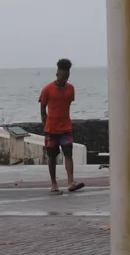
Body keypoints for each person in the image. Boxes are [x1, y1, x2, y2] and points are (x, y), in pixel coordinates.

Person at [39, 58, 84, 193]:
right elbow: (43, 109)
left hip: (66, 128)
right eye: (63, 76)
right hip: (51, 129)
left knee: (68, 153)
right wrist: (45, 126)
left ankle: (71, 182)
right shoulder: (47, 89)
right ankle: (54, 184)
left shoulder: (71, 89)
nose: (65, 79)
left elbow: (66, 105)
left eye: (67, 76)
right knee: (52, 156)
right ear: (57, 73)